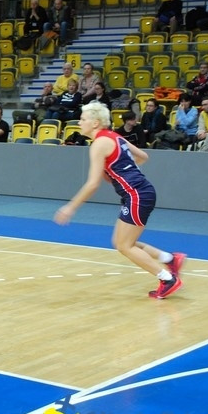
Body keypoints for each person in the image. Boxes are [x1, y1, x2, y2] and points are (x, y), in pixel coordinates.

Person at [54, 102, 186, 300]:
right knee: (120, 242)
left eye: (83, 119)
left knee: (125, 246)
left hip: (136, 194)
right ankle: (169, 259)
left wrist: (70, 207)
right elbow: (143, 156)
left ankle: (168, 279)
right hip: (140, 192)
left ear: (95, 123)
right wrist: (121, 171)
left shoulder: (99, 144)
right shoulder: (114, 136)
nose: (79, 123)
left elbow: (92, 184)